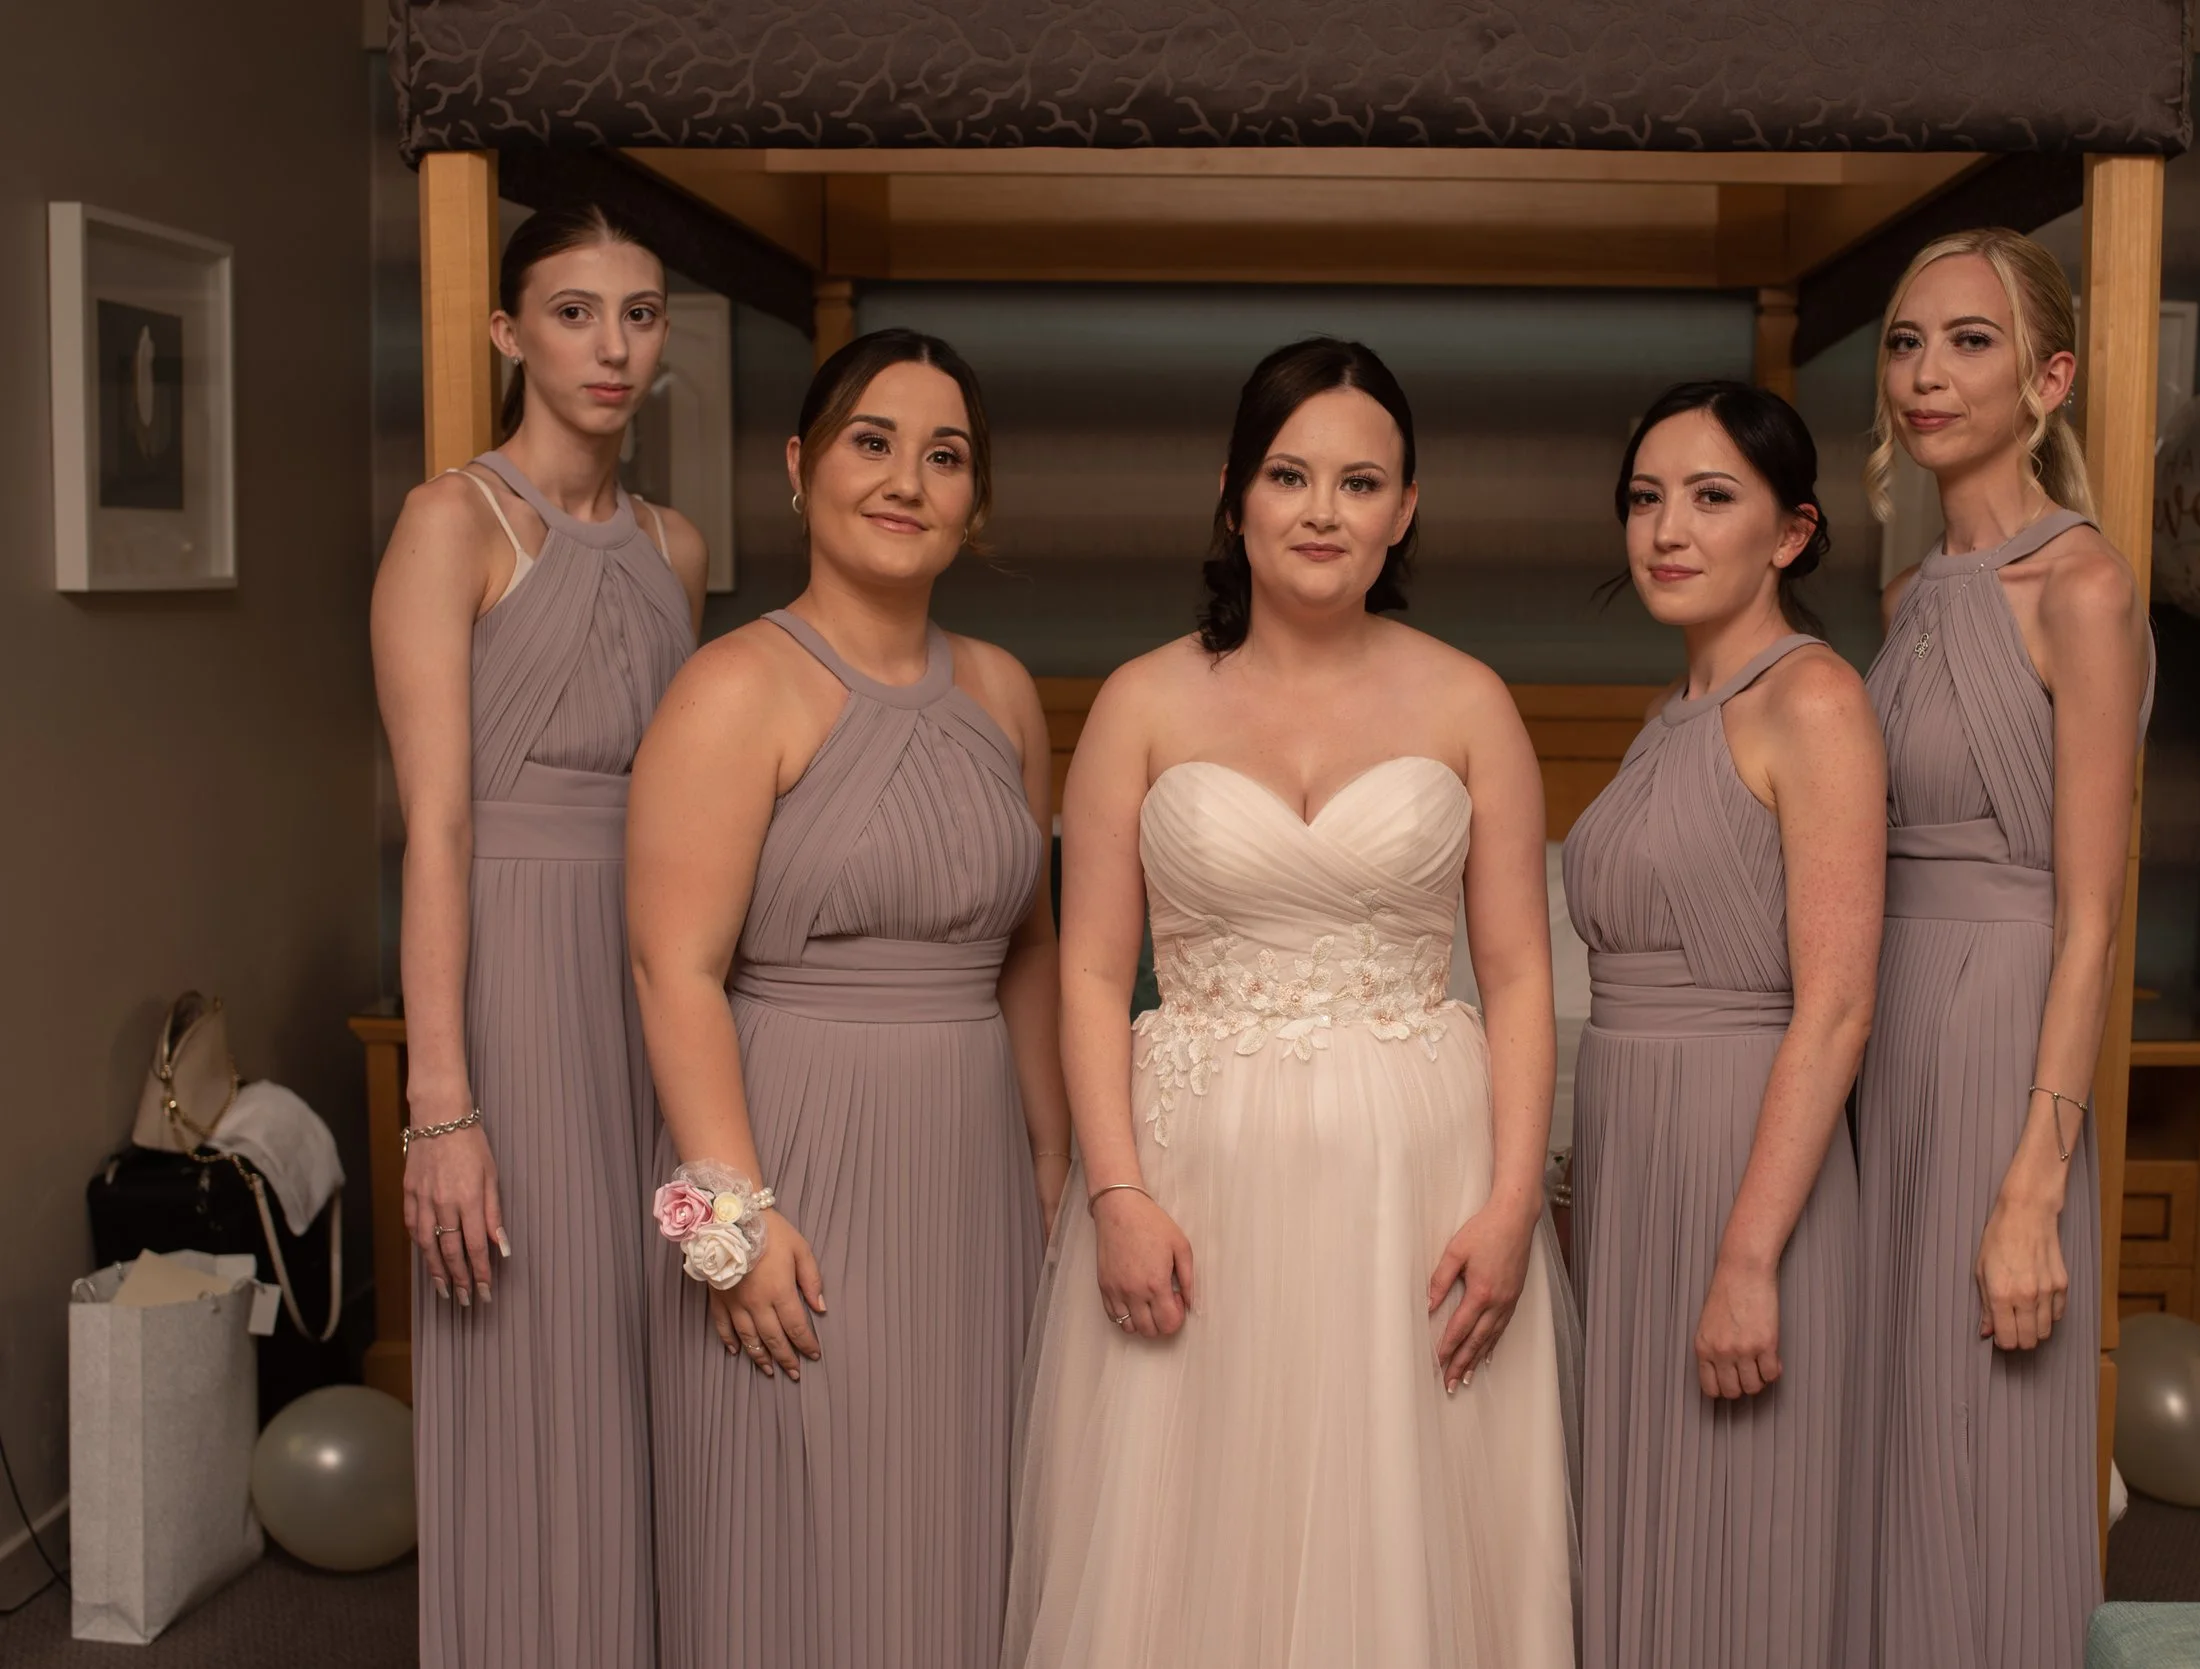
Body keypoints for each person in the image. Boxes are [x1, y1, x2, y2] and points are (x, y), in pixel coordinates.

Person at [1003, 337, 1577, 1669]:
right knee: (1189, 1515)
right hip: (1199, 1169)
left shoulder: (1472, 702)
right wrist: (1116, 1192)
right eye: (1290, 474)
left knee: (1407, 1508)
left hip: (1420, 1174)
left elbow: (1519, 972)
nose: (1323, 510)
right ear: (1234, 495)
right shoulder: (1142, 703)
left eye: (1360, 481)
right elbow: (1089, 969)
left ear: (1406, 509)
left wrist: (1511, 1205)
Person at [627, 328, 1069, 1668]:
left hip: (972, 1164)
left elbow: (1031, 949)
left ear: (973, 499)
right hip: (791, 1151)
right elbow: (672, 969)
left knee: (968, 1517)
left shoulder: (1001, 691)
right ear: (801, 464)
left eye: (946, 456)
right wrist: (730, 1226)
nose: (908, 480)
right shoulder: (732, 685)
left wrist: (1051, 1165)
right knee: (792, 1510)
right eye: (873, 441)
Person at [372, 201, 706, 1669]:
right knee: (532, 1350)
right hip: (513, 967)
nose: (610, 346)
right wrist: (438, 1106)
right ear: (508, 331)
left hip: (654, 971)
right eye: (574, 312)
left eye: (638, 314)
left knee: (655, 1344)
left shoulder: (678, 549)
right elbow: (434, 829)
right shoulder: (451, 523)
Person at [1845, 228, 2154, 1669]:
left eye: (1969, 340)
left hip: (1997, 1043)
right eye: (1907, 340)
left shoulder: (2082, 589)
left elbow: (2090, 915)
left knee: (1979, 1428)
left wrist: (2038, 1176)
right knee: (1889, 1428)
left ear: (2050, 377)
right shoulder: (1906, 608)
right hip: (1884, 1032)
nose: (1927, 372)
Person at [1565, 381, 1883, 1668]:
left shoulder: (1810, 701)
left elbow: (1840, 1005)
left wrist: (1749, 1257)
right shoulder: (1664, 722)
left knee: (1742, 1548)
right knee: (1632, 1532)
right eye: (1646, 499)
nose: (1666, 530)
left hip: (1747, 1172)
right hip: (1633, 1171)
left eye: (1710, 498)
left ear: (1792, 532)